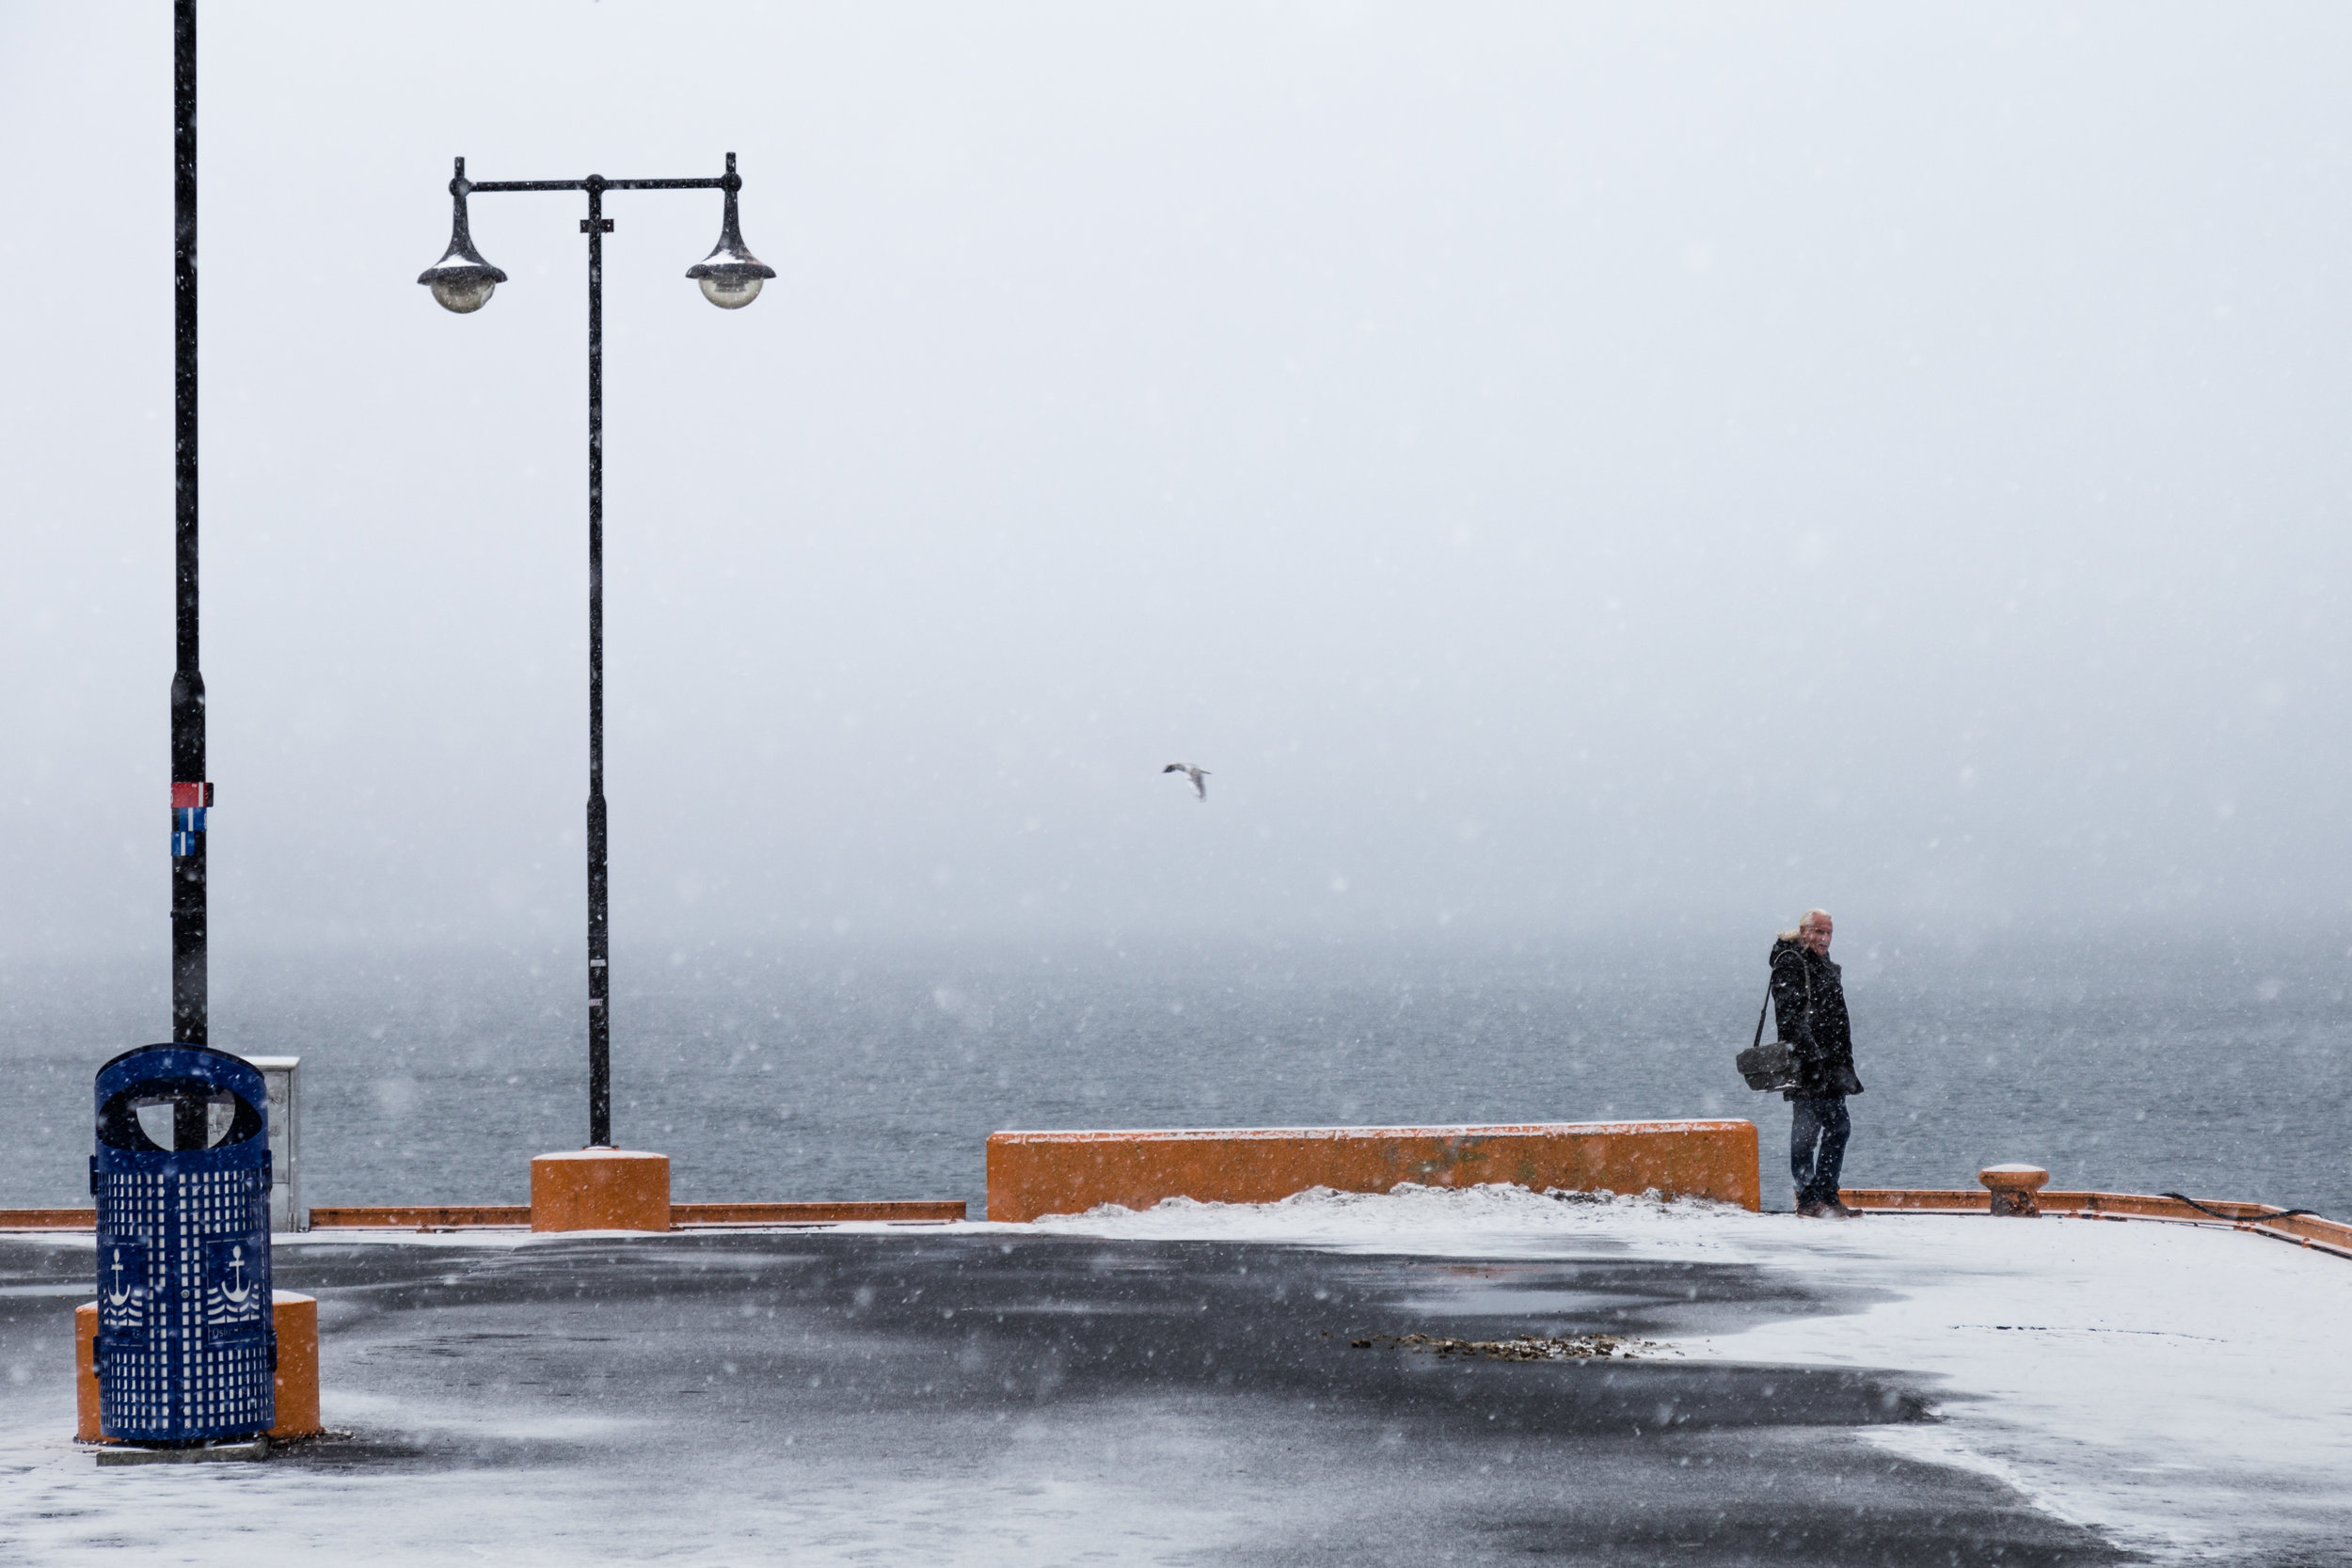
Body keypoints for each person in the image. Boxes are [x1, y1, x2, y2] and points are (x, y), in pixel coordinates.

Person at [1770, 909, 1864, 1218]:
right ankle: (1810, 1200)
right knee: (1806, 1132)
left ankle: (1827, 1195)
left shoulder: (1824, 964)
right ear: (1803, 931)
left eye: (1829, 933)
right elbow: (1791, 1019)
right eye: (1818, 932)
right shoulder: (1791, 961)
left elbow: (1834, 1017)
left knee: (1839, 1127)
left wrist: (1839, 1059)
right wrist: (1812, 1057)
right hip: (1807, 1063)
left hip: (1833, 1061)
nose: (1824, 938)